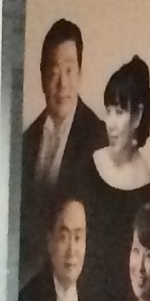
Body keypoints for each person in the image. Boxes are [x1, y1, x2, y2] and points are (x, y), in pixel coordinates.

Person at [17, 20, 107, 281]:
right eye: (54, 71)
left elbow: (101, 236)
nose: (62, 83)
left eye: (69, 70)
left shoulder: (98, 140)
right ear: (42, 75)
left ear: (80, 73)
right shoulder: (26, 140)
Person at [84, 56, 150, 301]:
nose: (111, 123)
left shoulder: (147, 182)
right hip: (82, 295)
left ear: (137, 116)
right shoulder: (91, 164)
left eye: (120, 112)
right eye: (108, 111)